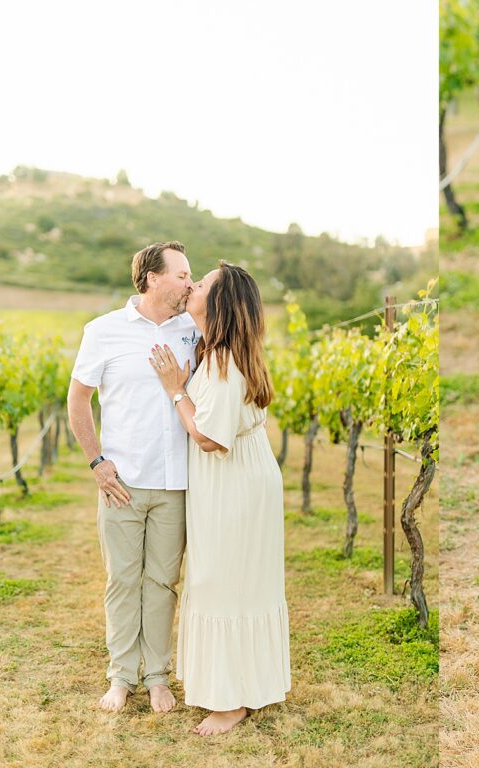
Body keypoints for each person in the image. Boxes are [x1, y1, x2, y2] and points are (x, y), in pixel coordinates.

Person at [149, 261, 290, 736]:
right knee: (229, 580)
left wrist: (175, 391)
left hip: (234, 483)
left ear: (221, 302)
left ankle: (232, 701)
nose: (193, 285)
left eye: (203, 283)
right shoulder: (221, 353)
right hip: (232, 481)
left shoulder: (226, 358)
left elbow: (210, 437)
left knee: (226, 582)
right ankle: (241, 685)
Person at [67, 241, 198, 713]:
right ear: (151, 278)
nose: (189, 283)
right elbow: (78, 400)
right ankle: (122, 676)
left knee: (163, 582)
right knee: (123, 581)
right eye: (182, 275)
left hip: (176, 482)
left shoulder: (194, 330)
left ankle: (159, 676)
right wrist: (97, 462)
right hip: (121, 483)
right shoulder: (103, 331)